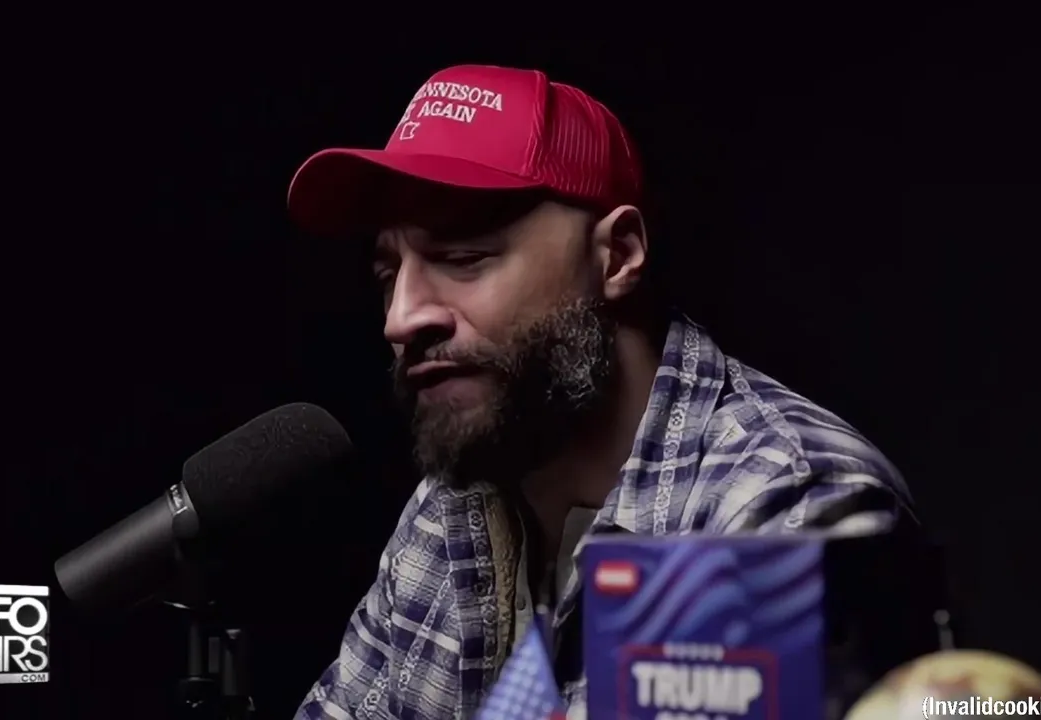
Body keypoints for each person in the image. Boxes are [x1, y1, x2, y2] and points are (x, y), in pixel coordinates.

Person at [286, 64, 915, 719]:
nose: (400, 319)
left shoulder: (785, 504)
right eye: (389, 274)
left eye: (463, 256)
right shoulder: (445, 511)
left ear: (617, 255)